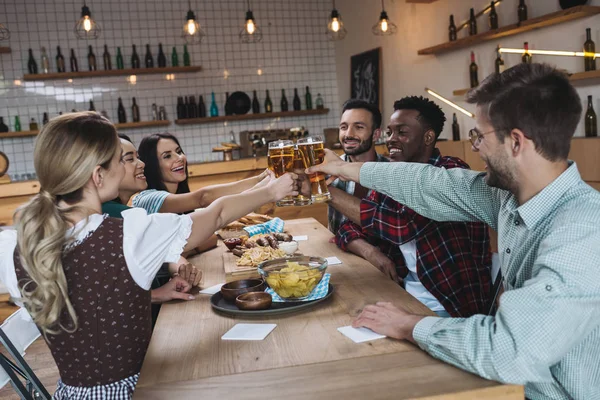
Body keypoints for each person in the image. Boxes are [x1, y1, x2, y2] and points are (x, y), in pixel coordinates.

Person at [307, 64, 600, 399]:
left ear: (516, 142)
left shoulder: (583, 232)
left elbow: (508, 351)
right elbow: (428, 183)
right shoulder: (507, 197)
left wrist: (408, 324)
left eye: (479, 135)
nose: (474, 147)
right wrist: (343, 167)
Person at [0, 112, 296, 398]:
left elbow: (86, 306)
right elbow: (215, 215)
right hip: (137, 391)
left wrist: (145, 295)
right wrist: (271, 191)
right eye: (120, 159)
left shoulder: (17, 244)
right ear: (98, 175)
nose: (128, 165)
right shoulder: (128, 234)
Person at [335, 96, 491, 317]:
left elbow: (400, 226)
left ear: (428, 137)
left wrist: (327, 193)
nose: (391, 139)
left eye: (402, 132)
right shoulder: (394, 175)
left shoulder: (451, 172)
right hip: (403, 298)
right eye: (389, 132)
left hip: (453, 309)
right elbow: (347, 228)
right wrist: (371, 252)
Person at [133, 132, 272, 214]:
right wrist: (262, 182)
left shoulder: (177, 196)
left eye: (179, 152)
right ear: (151, 164)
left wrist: (261, 180)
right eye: (167, 156)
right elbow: (204, 198)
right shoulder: (148, 198)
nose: (179, 158)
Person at [327, 99, 388, 235]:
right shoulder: (327, 170)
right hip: (338, 251)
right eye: (344, 127)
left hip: (381, 252)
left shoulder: (390, 172)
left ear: (376, 134)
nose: (348, 134)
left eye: (359, 127)